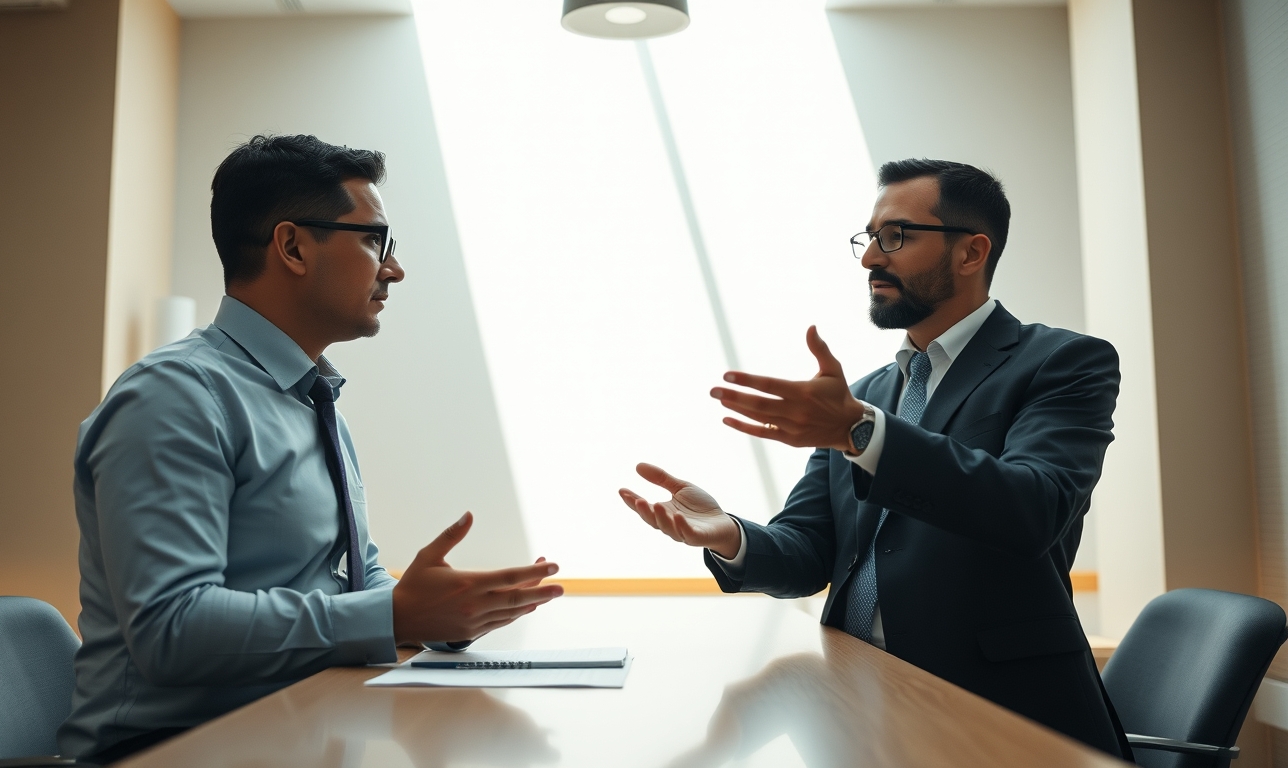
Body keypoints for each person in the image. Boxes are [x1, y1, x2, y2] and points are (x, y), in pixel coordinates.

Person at [59, 135, 563, 762]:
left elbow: (354, 577)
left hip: (297, 731)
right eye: (375, 240)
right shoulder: (173, 399)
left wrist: (442, 610)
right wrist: (393, 616)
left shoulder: (313, 397)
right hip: (168, 750)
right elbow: (171, 629)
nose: (394, 268)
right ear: (293, 246)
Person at [619, 159, 1128, 757]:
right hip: (854, 704)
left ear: (971, 253)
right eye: (869, 238)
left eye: (897, 237)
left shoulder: (1062, 362)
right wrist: (730, 536)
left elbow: (1034, 507)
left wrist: (863, 433)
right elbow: (810, 553)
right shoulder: (865, 396)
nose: (869, 259)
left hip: (999, 714)